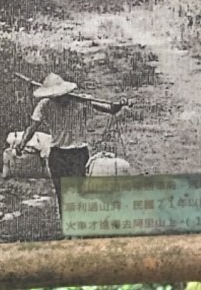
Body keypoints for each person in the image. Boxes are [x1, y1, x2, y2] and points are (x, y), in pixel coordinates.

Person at [14, 73, 124, 216]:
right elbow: (32, 127)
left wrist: (119, 104)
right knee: (62, 194)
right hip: (57, 155)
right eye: (56, 97)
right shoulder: (44, 105)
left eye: (61, 96)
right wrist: (22, 143)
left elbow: (110, 109)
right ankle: (68, 229)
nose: (60, 100)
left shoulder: (80, 100)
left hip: (78, 154)